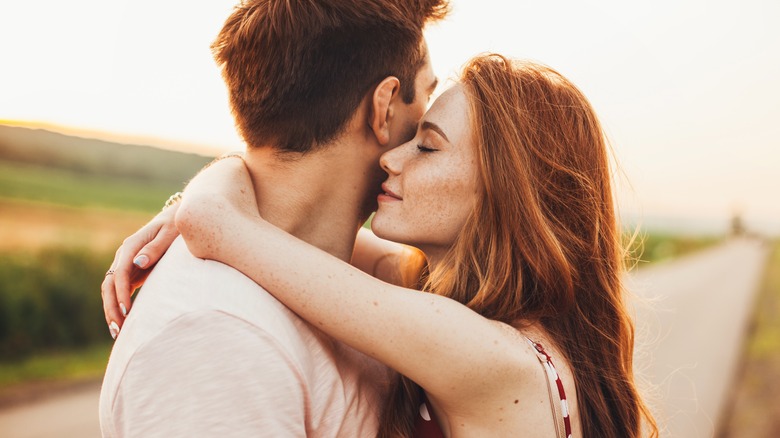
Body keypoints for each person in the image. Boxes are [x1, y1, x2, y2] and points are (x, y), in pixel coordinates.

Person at [107, 55, 659, 436]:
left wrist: (192, 204)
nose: (392, 159)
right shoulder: (452, 304)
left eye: (427, 146)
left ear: (506, 191)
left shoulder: (491, 355)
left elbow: (221, 225)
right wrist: (207, 194)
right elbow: (293, 232)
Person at [98, 0, 447, 436]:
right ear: (385, 105)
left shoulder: (348, 277)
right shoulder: (217, 339)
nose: (428, 120)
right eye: (428, 95)